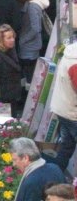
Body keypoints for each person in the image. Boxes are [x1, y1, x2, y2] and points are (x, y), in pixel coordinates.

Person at [50, 40, 77, 172]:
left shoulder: (70, 53)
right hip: (72, 112)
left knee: (66, 146)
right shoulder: (75, 63)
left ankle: (57, 174)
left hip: (63, 108)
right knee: (67, 145)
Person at [15, 0, 49, 82]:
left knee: (29, 76)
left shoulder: (32, 7)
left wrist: (22, 40)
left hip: (29, 47)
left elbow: (35, 28)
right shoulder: (36, 3)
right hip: (33, 45)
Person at [0, 24, 23, 117]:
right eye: (9, 38)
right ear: (0, 40)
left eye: (13, 37)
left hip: (11, 97)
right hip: (2, 100)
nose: (13, 40)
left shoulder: (10, 50)